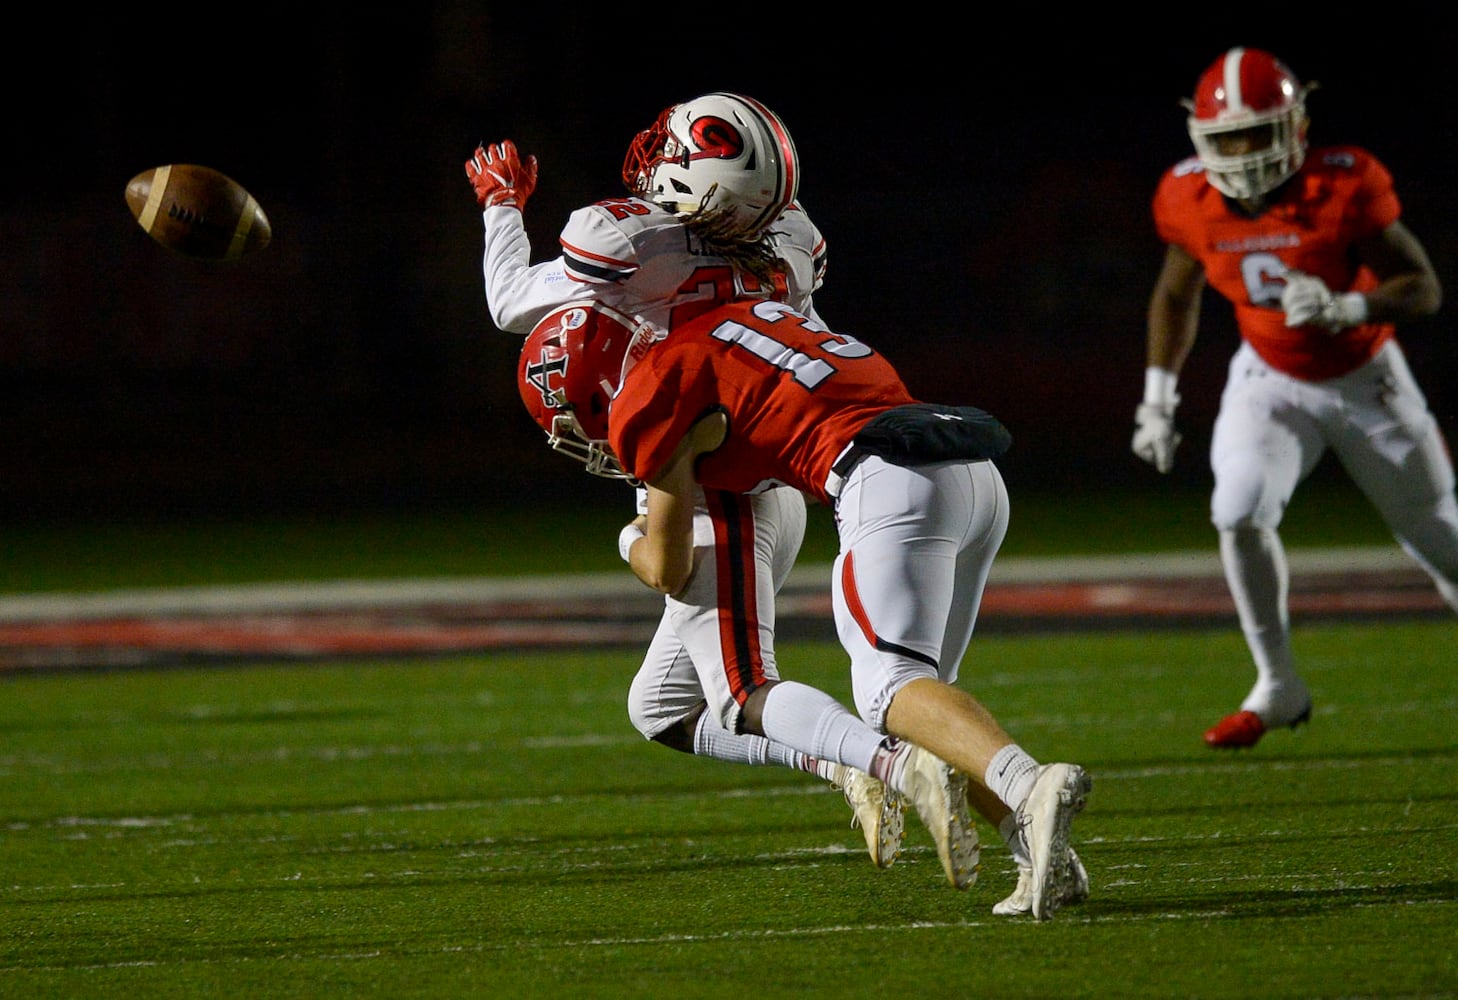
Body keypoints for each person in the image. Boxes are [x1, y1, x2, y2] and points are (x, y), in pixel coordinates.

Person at [518, 297, 1093, 920]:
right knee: (924, 705)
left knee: (890, 691)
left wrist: (628, 536)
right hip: (967, 465)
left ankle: (1027, 784)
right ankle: (1040, 859)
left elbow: (667, 567)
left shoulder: (652, 388)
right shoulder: (745, 313)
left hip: (888, 478)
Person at [465, 94, 915, 871]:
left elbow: (510, 302)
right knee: (660, 709)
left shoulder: (632, 248)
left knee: (742, 690)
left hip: (707, 483)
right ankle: (839, 762)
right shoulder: (793, 241)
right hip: (774, 465)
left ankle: (886, 762)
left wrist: (502, 206)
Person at [1132, 47, 1457, 749]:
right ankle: (1278, 684)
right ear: (1201, 139)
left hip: (1367, 377)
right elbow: (1175, 293)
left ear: (1296, 126)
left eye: (1258, 134)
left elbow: (1423, 288)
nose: (1245, 154)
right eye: (1229, 138)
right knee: (1237, 510)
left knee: (1444, 541)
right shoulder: (1188, 197)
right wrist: (1157, 399)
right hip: (1271, 377)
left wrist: (1348, 306)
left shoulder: (1345, 184)